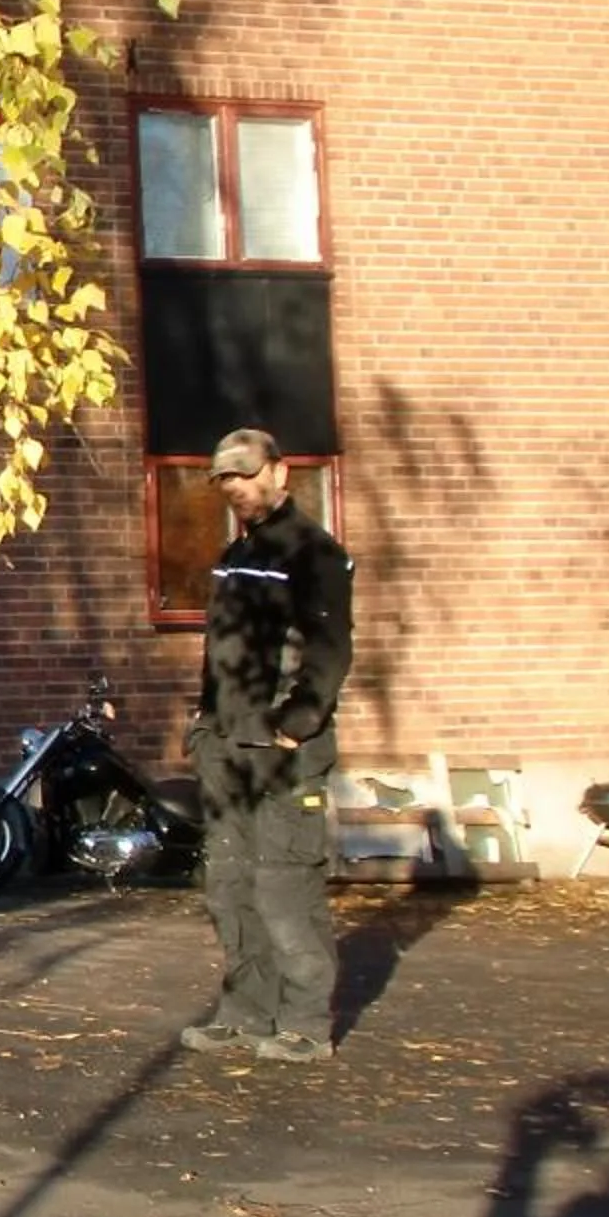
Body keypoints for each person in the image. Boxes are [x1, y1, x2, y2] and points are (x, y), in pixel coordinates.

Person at [177, 426, 354, 1064]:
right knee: (230, 886)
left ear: (280, 472)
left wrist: (293, 725)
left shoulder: (315, 553)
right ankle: (246, 1012)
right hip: (225, 744)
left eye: (246, 475)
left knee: (284, 886)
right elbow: (221, 651)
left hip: (281, 749)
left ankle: (304, 1023)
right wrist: (204, 720)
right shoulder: (234, 555)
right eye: (226, 479)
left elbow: (330, 651)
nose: (237, 488)